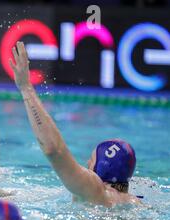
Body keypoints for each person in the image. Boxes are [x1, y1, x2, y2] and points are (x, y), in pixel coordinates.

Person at [9, 41, 140, 207]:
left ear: (100, 168)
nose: (86, 163)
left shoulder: (93, 189)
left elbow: (54, 150)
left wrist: (25, 87)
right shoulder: (135, 202)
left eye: (91, 160)